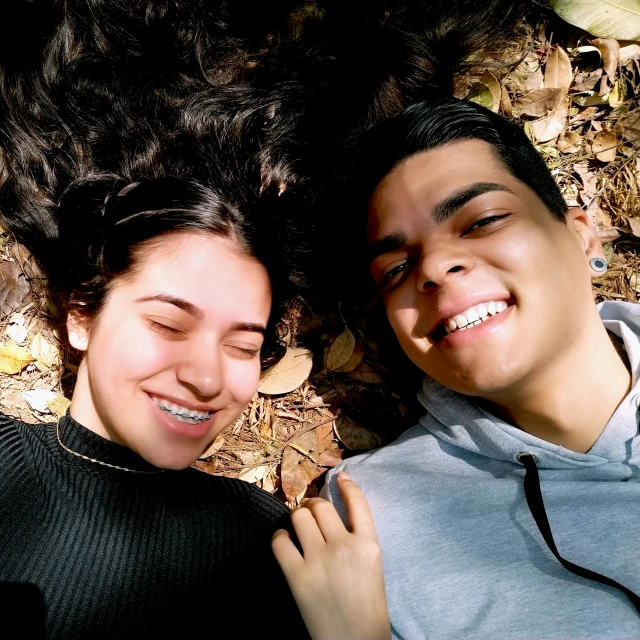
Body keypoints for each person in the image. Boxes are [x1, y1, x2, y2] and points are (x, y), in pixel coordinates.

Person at [0, 173, 386, 639]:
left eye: (243, 346)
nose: (206, 379)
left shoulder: (272, 545)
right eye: (168, 324)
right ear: (81, 315)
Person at [320, 97, 640, 639]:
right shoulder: (374, 521)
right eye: (396, 268)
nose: (435, 267)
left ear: (581, 234)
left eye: (483, 220)